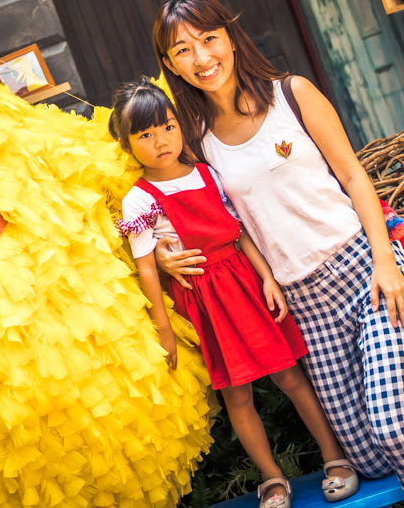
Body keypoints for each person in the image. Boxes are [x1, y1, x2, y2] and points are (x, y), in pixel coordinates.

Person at [150, 0, 404, 508]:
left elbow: (354, 176)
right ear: (169, 64)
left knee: (394, 429)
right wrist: (158, 255)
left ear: (231, 38)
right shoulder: (194, 137)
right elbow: (175, 207)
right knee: (372, 457)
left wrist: (385, 261)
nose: (201, 59)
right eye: (183, 51)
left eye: (208, 39)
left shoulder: (291, 94)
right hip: (304, 303)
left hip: (364, 270)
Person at [109, 79, 358, 508]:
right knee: (237, 394)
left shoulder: (208, 173)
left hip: (244, 285)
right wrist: (164, 329)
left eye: (166, 127)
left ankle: (336, 458)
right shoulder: (138, 200)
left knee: (290, 377)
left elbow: (240, 233)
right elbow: (146, 266)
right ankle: (272, 478)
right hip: (205, 303)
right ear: (127, 143)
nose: (159, 141)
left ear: (179, 126)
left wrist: (266, 277)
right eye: (144, 135)